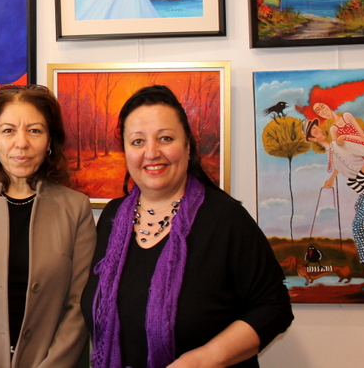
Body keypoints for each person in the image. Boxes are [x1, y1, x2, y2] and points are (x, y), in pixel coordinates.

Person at [83, 85, 293, 368]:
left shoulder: (226, 219)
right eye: (137, 141)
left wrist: (203, 360)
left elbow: (274, 308)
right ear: (126, 151)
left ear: (188, 145)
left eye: (165, 138)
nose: (151, 152)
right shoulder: (112, 217)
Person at [0, 84, 96, 367]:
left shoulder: (76, 208)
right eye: (8, 130)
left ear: (49, 141)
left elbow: (80, 305)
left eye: (34, 130)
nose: (21, 143)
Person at [303, 117, 364, 290]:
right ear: (311, 139)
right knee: (363, 220)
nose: (318, 130)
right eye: (313, 130)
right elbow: (341, 164)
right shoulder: (330, 152)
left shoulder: (339, 142)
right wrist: (331, 179)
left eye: (317, 127)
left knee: (358, 225)